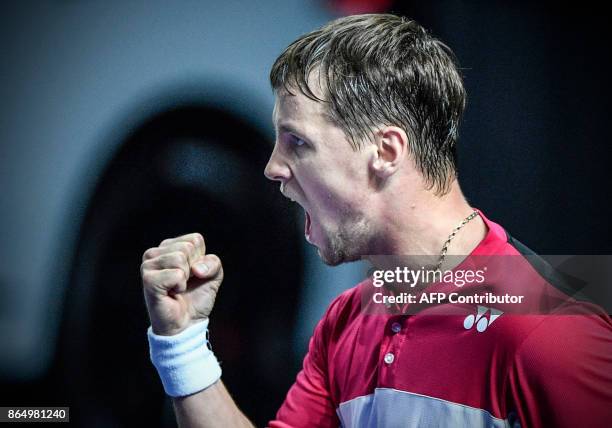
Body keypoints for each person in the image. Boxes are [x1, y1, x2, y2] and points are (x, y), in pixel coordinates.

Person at [140, 14, 612, 427]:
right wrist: (181, 344)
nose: (272, 167)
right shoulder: (345, 322)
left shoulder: (549, 333)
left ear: (385, 152)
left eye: (297, 142)